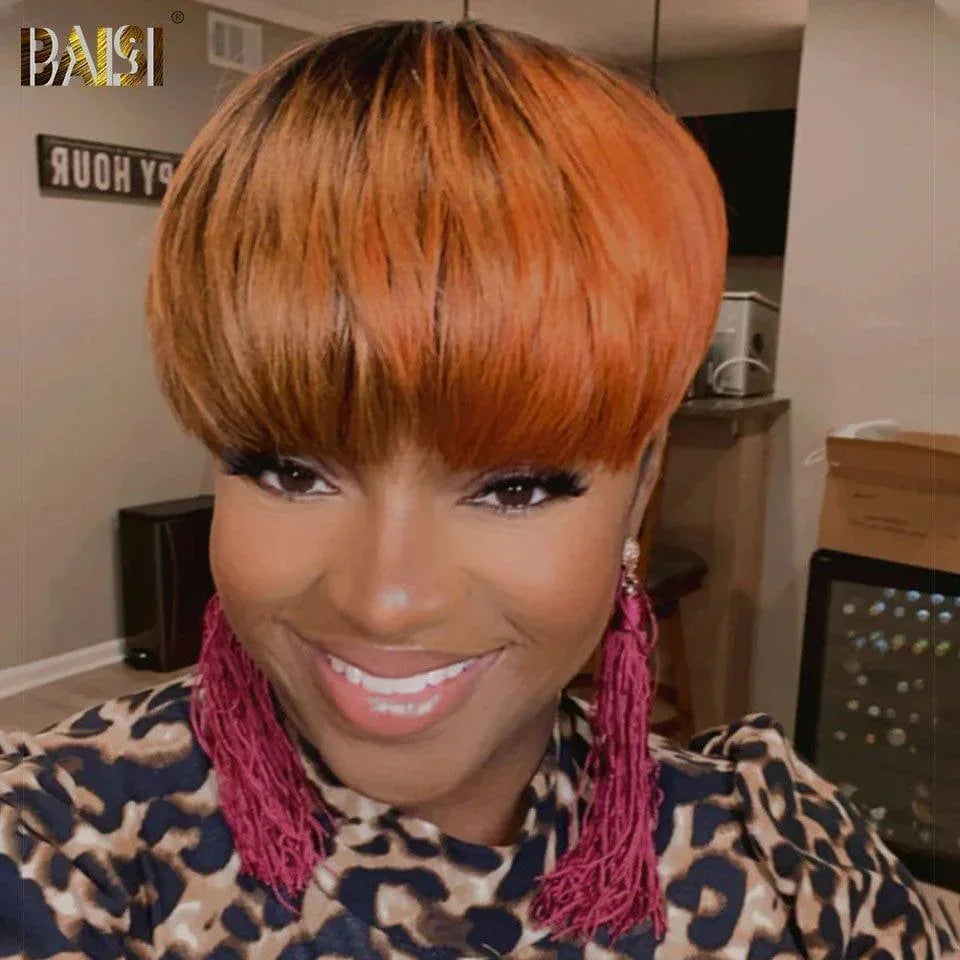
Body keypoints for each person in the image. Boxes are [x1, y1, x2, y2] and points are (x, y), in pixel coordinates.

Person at [1, 18, 956, 960]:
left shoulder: (789, 868)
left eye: (515, 489)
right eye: (291, 471)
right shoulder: (56, 845)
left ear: (641, 487)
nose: (384, 599)